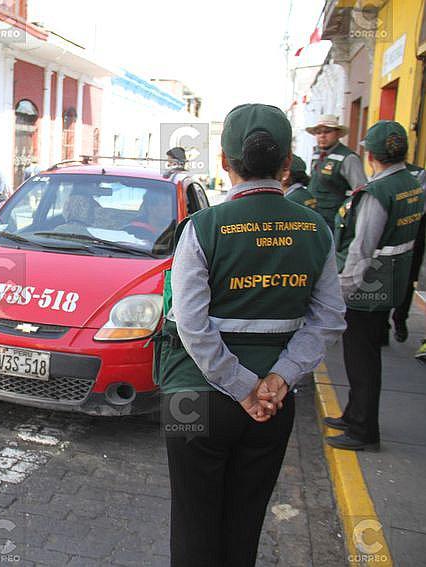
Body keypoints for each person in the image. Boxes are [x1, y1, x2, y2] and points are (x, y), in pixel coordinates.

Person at [157, 104, 346, 566]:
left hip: (194, 397)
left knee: (194, 522)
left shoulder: (202, 227)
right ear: (287, 163)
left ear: (225, 161)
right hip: (273, 403)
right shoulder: (316, 229)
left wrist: (241, 386)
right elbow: (328, 318)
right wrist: (278, 379)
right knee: (245, 522)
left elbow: (190, 323)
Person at [325, 121, 424, 451]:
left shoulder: (377, 192)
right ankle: (354, 414)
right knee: (366, 354)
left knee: (361, 359)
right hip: (391, 279)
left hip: (368, 286)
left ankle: (362, 429)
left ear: (370, 155)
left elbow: (362, 249)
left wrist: (341, 294)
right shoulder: (411, 183)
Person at [306, 115, 368, 229]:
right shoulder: (316, 155)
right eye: (318, 132)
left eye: (327, 131)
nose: (322, 135)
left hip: (334, 220)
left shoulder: (348, 158)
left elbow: (361, 192)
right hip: (314, 216)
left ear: (338, 133)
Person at [389, 162, 426, 342]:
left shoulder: (418, 173)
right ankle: (383, 325)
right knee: (385, 276)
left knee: (408, 278)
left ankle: (400, 319)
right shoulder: (382, 174)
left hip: (415, 232)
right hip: (394, 230)